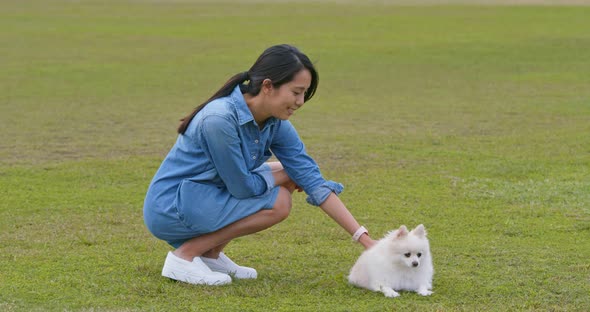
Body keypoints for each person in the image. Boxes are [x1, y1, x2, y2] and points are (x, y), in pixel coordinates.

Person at [143, 44, 376, 285]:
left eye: (304, 93)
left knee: (292, 175)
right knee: (280, 200)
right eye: (296, 92)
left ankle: (211, 256)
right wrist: (285, 175)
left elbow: (311, 179)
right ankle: (184, 257)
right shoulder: (219, 119)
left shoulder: (275, 122)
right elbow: (242, 187)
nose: (301, 101)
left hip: (204, 196)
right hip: (172, 207)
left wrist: (365, 240)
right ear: (267, 86)